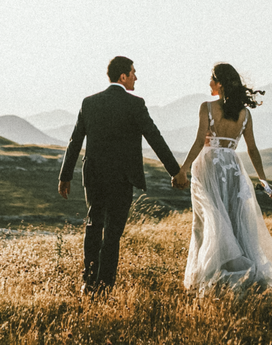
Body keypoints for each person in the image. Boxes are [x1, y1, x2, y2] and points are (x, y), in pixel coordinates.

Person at [58, 55, 185, 293]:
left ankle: (88, 281)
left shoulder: (89, 103)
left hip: (94, 177)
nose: (136, 77)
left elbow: (75, 141)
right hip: (122, 178)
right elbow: (155, 139)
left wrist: (65, 176)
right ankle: (105, 286)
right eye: (133, 72)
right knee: (113, 233)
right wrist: (175, 171)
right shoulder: (135, 104)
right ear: (123, 76)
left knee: (94, 225)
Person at [175, 63, 272, 293]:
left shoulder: (206, 107)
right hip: (233, 169)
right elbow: (253, 149)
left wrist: (183, 169)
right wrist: (264, 183)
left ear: (220, 84)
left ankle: (212, 276)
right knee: (234, 222)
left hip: (208, 168)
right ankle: (240, 276)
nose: (209, 84)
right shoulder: (244, 114)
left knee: (207, 221)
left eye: (211, 80)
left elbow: (198, 142)